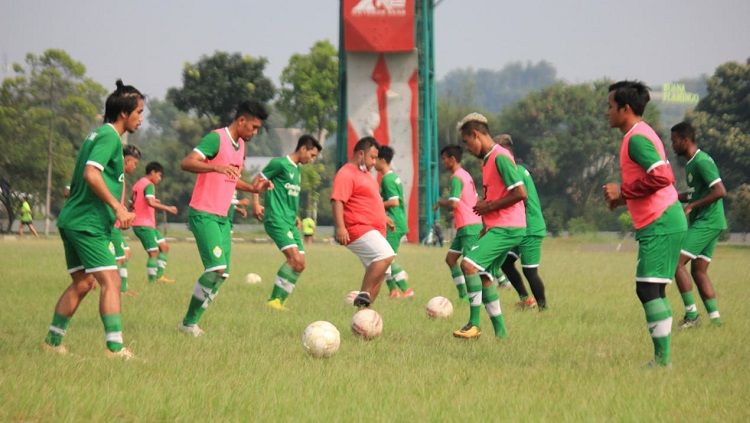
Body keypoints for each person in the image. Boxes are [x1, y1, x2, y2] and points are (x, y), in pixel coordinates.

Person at [42, 80, 144, 359]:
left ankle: (52, 343)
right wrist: (118, 208)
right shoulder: (111, 137)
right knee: (110, 281)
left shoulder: (96, 134)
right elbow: (91, 173)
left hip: (72, 219)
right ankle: (115, 348)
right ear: (124, 113)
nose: (141, 118)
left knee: (84, 283)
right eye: (138, 112)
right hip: (86, 223)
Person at [603, 80, 687, 367]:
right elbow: (652, 180)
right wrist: (623, 198)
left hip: (661, 221)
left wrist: (623, 191)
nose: (607, 112)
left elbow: (663, 178)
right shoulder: (638, 134)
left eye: (611, 106)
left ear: (626, 109)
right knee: (655, 289)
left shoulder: (636, 138)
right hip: (664, 219)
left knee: (647, 289)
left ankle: (662, 362)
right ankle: (662, 360)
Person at [177, 100, 272, 337]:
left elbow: (231, 179)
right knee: (216, 268)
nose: (255, 132)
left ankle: (191, 323)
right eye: (254, 127)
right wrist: (214, 168)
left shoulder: (240, 146)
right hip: (204, 212)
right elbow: (187, 162)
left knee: (223, 274)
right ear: (241, 121)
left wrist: (253, 188)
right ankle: (188, 324)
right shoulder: (216, 138)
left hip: (223, 217)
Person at [453, 113, 527, 339]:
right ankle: (501, 334)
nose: (467, 148)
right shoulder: (488, 161)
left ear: (476, 135)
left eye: (467, 142)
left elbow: (520, 193)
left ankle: (473, 324)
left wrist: (489, 206)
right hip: (499, 227)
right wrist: (487, 220)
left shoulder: (500, 157)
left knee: (468, 265)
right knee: (485, 276)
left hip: (508, 227)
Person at [252, 134, 322, 311]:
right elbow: (257, 181)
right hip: (276, 219)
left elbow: (290, 195)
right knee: (294, 259)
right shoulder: (279, 163)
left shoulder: (297, 170)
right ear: (303, 149)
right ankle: (273, 301)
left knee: (301, 264)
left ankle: (280, 303)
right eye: (312, 155)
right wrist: (256, 203)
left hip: (290, 221)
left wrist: (296, 216)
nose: (312, 160)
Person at [670, 121, 726, 328]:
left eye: (674, 141)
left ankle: (692, 316)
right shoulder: (691, 163)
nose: (673, 145)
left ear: (685, 140)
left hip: (708, 221)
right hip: (712, 222)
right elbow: (697, 193)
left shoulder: (701, 161)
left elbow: (720, 191)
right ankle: (716, 322)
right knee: (699, 271)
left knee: (676, 261)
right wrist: (673, 197)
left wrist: (692, 205)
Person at [331, 136, 395, 308]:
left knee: (381, 274)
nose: (375, 162)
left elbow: (371, 201)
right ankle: (363, 293)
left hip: (374, 229)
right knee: (386, 255)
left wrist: (384, 217)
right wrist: (340, 227)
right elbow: (337, 200)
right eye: (372, 157)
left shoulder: (365, 175)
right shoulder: (346, 173)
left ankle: (363, 316)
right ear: (361, 154)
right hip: (357, 228)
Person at [494, 134, 548, 311]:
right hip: (520, 228)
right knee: (506, 262)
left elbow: (520, 198)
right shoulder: (518, 169)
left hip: (530, 228)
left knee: (530, 271)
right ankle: (526, 300)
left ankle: (543, 309)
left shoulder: (514, 171)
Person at [433, 145, 483, 302]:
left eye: (444, 159)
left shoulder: (456, 177)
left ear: (452, 159)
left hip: (470, 226)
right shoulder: (466, 174)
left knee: (469, 265)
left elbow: (454, 203)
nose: (443, 162)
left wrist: (441, 203)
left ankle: (475, 299)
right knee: (451, 259)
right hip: (466, 226)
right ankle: (463, 296)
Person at [375, 145, 415, 299]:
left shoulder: (387, 180)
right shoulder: (393, 177)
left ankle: (407, 290)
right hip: (397, 222)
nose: (373, 162)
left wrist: (376, 206)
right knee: (383, 257)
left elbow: (393, 202)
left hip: (393, 223)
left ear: (382, 160)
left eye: (375, 159)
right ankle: (393, 291)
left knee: (385, 258)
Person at [131, 161, 178, 284]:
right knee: (153, 253)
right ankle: (152, 282)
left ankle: (160, 277)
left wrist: (152, 200)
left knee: (164, 247)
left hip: (146, 225)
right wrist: (168, 208)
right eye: (159, 175)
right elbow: (150, 203)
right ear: (152, 172)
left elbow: (132, 203)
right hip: (143, 224)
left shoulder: (138, 183)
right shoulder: (149, 185)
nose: (160, 178)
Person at [113, 144, 141, 296]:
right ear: (127, 160)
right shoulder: (116, 176)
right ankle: (119, 289)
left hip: (116, 225)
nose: (135, 167)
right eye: (135, 164)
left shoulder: (121, 178)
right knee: (120, 257)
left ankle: (120, 287)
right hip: (111, 225)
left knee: (125, 253)